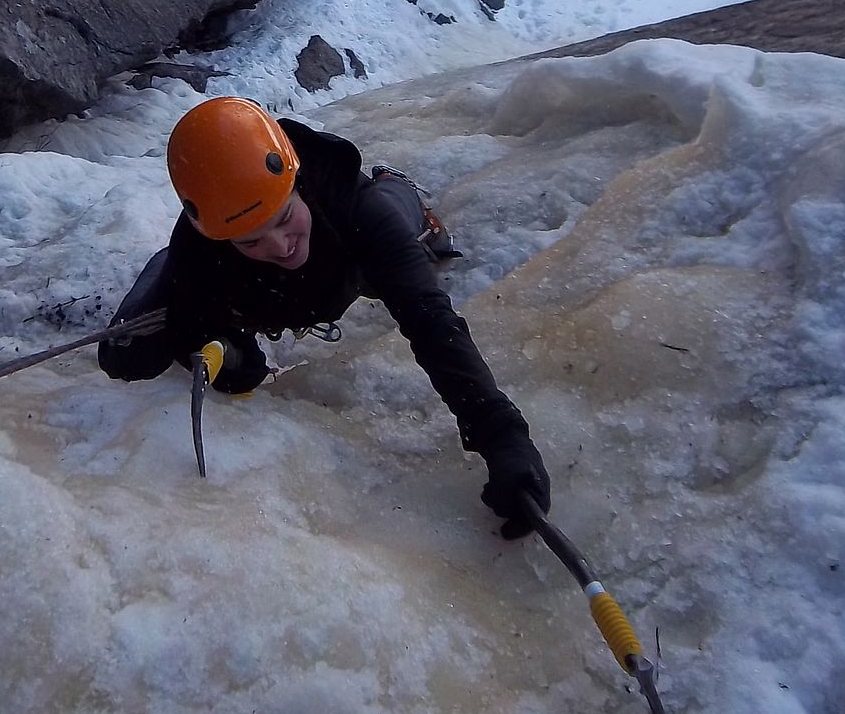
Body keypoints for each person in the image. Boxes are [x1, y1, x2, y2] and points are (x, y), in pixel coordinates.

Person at [98, 96, 550, 534]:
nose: (279, 246)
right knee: (127, 356)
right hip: (254, 293)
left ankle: (398, 187)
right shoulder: (200, 254)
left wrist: (502, 436)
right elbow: (180, 338)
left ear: (298, 185)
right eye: (251, 240)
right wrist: (233, 360)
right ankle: (176, 272)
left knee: (406, 242)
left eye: (283, 217)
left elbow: (430, 321)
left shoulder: (353, 206)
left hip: (347, 264)